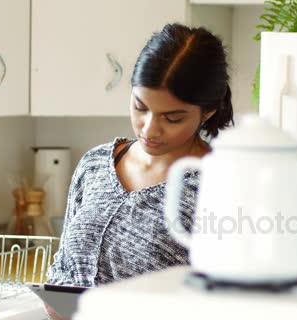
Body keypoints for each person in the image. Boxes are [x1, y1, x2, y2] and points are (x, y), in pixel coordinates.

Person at [43, 23, 233, 318]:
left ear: (207, 112)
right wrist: (56, 297)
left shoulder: (220, 185)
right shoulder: (95, 164)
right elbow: (62, 268)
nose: (150, 129)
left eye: (172, 118)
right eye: (140, 107)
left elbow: (227, 303)